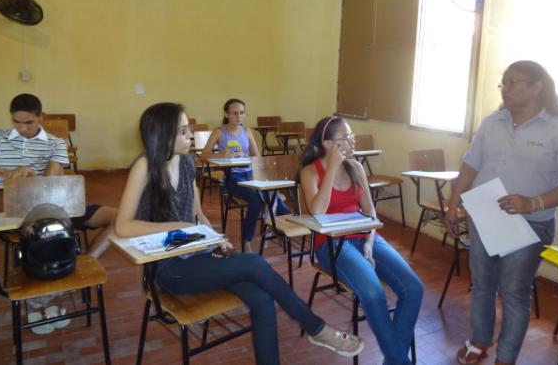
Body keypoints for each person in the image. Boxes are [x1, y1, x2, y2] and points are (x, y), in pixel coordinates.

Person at [114, 102, 364, 364]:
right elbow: (123, 226)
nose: (190, 136)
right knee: (254, 263)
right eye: (183, 131)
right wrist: (178, 227)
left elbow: (197, 215)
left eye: (188, 130)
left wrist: (214, 239)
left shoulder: (188, 164)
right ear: (163, 134)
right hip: (168, 269)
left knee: (261, 298)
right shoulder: (144, 166)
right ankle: (317, 328)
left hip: (197, 255)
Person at [444, 60, 558, 365]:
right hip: (484, 218)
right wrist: (453, 204)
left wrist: (532, 202)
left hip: (529, 225)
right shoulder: (493, 122)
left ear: (538, 86)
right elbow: (471, 165)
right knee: (481, 284)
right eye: (503, 83)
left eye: (513, 82)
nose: (505, 88)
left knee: (513, 293)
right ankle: (480, 341)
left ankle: (506, 357)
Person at [300, 116, 423, 365]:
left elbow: (371, 213)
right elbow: (318, 212)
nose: (351, 142)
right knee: (373, 294)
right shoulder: (311, 171)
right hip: (332, 243)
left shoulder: (356, 168)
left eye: (352, 137)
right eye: (345, 138)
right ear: (327, 143)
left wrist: (369, 241)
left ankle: (393, 360)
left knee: (414, 288)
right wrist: (333, 166)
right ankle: (400, 361)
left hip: (364, 236)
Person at [0, 93, 116, 258]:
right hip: (19, 213)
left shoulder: (55, 143)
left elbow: (48, 186)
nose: (22, 128)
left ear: (41, 117)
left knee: (119, 218)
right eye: (16, 122)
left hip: (57, 205)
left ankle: (88, 260)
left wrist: (31, 173)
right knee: (48, 238)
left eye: (29, 122)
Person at [201, 98, 290, 253]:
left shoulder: (247, 131)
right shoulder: (220, 131)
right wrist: (222, 154)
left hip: (251, 175)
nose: (239, 116)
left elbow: (257, 156)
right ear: (226, 114)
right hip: (233, 178)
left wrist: (251, 159)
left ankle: (282, 227)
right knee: (256, 199)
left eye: (242, 113)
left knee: (273, 195)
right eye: (235, 113)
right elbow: (203, 155)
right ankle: (247, 239)